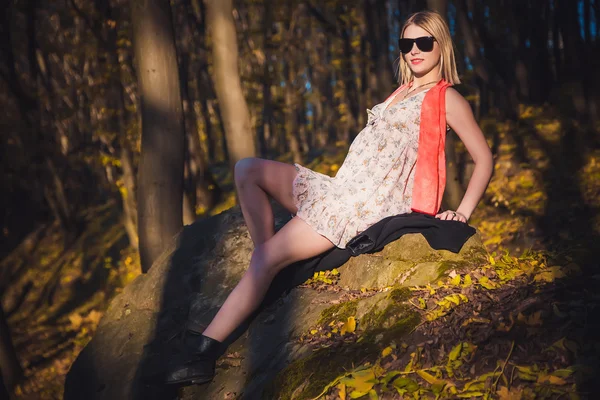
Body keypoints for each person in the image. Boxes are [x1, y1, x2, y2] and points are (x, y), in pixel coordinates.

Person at [164, 10, 493, 386]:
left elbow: (483, 158)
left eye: (423, 43)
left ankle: (203, 353)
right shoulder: (399, 93)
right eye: (406, 44)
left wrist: (463, 212)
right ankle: (269, 268)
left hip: (363, 206)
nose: (414, 51)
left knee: (267, 257)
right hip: (337, 190)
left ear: (441, 45)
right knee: (246, 169)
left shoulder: (446, 98)